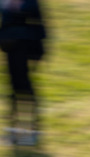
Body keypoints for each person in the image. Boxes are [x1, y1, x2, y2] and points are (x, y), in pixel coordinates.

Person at [0, 0, 46, 146]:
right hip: (11, 51)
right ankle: (14, 130)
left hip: (26, 51)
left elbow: (40, 27)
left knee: (26, 89)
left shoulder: (31, 3)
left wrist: (38, 53)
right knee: (13, 89)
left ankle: (34, 129)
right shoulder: (5, 2)